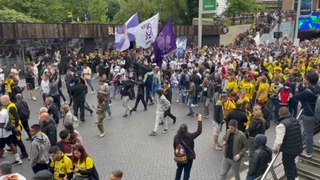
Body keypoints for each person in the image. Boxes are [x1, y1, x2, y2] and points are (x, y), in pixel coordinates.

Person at [272, 107, 303, 180]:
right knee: (292, 163)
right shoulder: (295, 120)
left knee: (288, 169)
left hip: (288, 150)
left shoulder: (281, 125)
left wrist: (275, 149)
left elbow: (278, 141)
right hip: (297, 147)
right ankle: (296, 177)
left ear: (279, 114)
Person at [295, 71, 320, 157]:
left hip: (309, 115)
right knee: (309, 132)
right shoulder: (318, 88)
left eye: (305, 78)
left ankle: (308, 152)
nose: (304, 80)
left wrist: (297, 88)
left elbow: (296, 96)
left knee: (308, 133)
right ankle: (307, 145)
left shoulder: (306, 93)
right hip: (317, 113)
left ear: (308, 80)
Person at [174, 114, 202, 180]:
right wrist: (199, 120)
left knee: (179, 170)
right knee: (186, 172)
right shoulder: (190, 136)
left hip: (179, 159)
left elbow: (174, 147)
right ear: (186, 130)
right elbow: (199, 131)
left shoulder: (176, 137)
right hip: (188, 159)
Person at [1, 95, 28, 159]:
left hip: (14, 126)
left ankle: (24, 153)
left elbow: (17, 117)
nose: (1, 101)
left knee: (18, 140)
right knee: (13, 138)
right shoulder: (8, 105)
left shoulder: (11, 107)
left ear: (5, 100)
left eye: (2, 100)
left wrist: (15, 126)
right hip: (11, 126)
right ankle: (13, 147)